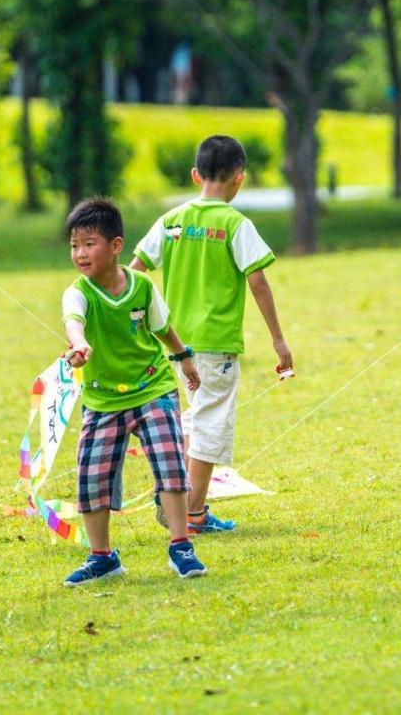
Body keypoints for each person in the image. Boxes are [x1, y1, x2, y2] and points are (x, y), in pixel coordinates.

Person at [132, 135, 293, 533]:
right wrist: (278, 339)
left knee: (195, 416)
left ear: (194, 175)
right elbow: (257, 280)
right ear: (240, 179)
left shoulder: (171, 220)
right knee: (210, 424)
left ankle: (176, 493)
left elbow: (135, 271)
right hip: (215, 343)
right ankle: (191, 512)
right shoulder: (235, 223)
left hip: (171, 342)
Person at [60, 196, 208, 586]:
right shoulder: (78, 293)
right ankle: (102, 558)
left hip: (152, 387)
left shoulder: (142, 287)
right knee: (92, 478)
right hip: (103, 399)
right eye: (74, 245)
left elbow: (162, 327)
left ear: (116, 246)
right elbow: (74, 322)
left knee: (170, 463)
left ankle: (181, 546)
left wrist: (184, 357)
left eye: (89, 243)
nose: (80, 253)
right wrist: (79, 345)